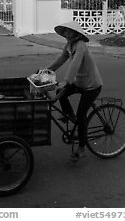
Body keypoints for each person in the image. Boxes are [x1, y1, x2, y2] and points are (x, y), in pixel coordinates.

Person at [45, 21, 103, 162]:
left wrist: (67, 80)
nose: (66, 34)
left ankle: (82, 149)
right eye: (65, 31)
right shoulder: (69, 45)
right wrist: (45, 71)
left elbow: (75, 64)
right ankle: (69, 114)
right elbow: (61, 59)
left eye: (69, 32)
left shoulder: (81, 46)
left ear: (76, 34)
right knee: (61, 92)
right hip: (79, 83)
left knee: (82, 115)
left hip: (91, 85)